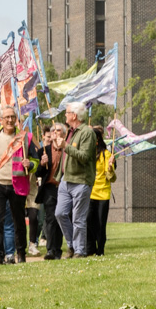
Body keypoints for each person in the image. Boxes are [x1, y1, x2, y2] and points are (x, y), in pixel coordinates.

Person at [0, 106, 34, 265]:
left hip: (17, 185)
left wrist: (30, 164)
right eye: (7, 117)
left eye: (13, 117)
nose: (10, 120)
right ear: (0, 120)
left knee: (19, 222)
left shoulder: (25, 138)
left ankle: (21, 254)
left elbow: (36, 160)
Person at [57, 101, 99, 259]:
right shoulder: (70, 131)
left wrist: (65, 146)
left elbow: (84, 156)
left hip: (81, 181)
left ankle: (80, 251)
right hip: (66, 181)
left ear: (74, 115)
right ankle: (71, 245)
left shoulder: (87, 133)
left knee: (78, 218)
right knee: (60, 213)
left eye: (67, 113)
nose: (65, 116)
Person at [34, 123, 65, 260]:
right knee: (51, 218)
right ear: (51, 135)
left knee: (62, 217)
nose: (56, 133)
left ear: (63, 134)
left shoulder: (67, 150)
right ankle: (51, 250)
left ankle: (58, 249)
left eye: (59, 131)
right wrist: (41, 164)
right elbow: (37, 173)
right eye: (54, 131)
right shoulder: (43, 151)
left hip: (64, 188)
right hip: (49, 188)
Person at [87, 127, 115, 255]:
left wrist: (110, 167)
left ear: (97, 139)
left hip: (102, 193)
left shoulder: (106, 154)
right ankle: (90, 247)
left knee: (100, 223)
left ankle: (100, 249)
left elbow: (110, 177)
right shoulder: (88, 153)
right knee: (88, 220)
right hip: (89, 193)